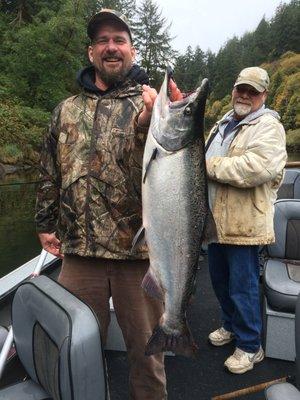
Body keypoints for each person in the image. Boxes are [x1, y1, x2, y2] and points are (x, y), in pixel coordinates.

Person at [35, 9, 181, 399]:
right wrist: (45, 221)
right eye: (103, 41)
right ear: (90, 51)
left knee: (147, 361)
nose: (111, 47)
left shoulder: (156, 106)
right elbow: (50, 170)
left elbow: (175, 173)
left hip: (140, 259)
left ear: (132, 50)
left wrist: (153, 121)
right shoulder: (65, 110)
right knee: (72, 350)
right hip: (79, 256)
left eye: (119, 39)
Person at [205, 67, 287, 374]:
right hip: (215, 223)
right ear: (233, 90)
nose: (245, 95)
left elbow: (256, 169)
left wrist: (207, 165)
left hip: (245, 224)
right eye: (241, 89)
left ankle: (251, 346)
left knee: (244, 287)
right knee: (220, 282)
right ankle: (230, 326)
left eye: (252, 91)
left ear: (263, 95)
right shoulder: (223, 122)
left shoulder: (268, 126)